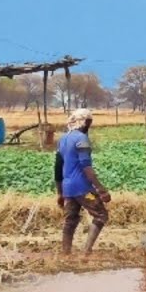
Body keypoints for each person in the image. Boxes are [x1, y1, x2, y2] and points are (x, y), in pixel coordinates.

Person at [54, 108, 111, 255]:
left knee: (70, 220)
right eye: (89, 122)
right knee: (101, 215)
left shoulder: (63, 139)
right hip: (83, 189)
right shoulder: (82, 139)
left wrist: (60, 192)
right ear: (84, 122)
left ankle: (66, 253)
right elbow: (86, 166)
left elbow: (58, 167)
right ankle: (86, 251)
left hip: (68, 189)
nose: (90, 126)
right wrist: (101, 189)